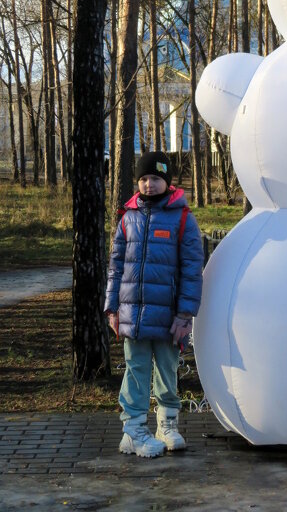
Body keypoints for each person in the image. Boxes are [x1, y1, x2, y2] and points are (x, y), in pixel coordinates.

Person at [104, 151, 203, 458]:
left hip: (169, 315)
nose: (149, 185)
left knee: (167, 368)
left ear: (167, 182)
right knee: (136, 369)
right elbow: (116, 265)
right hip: (131, 313)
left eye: (155, 179)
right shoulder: (128, 217)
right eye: (144, 179)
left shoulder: (182, 218)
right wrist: (111, 307)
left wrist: (185, 314)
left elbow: (192, 268)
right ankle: (132, 431)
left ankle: (167, 425)